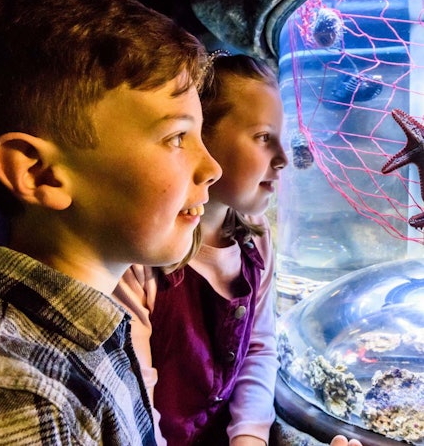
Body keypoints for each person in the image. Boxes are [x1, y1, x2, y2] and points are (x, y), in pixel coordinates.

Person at [0, 0, 222, 444]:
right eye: (177, 137)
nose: (213, 167)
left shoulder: (92, 319)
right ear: (40, 173)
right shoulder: (8, 396)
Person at [114, 53, 363, 446]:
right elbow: (132, 396)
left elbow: (259, 348)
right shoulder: (141, 256)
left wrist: (249, 436)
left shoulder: (257, 238)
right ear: (199, 137)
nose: (283, 159)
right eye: (264, 138)